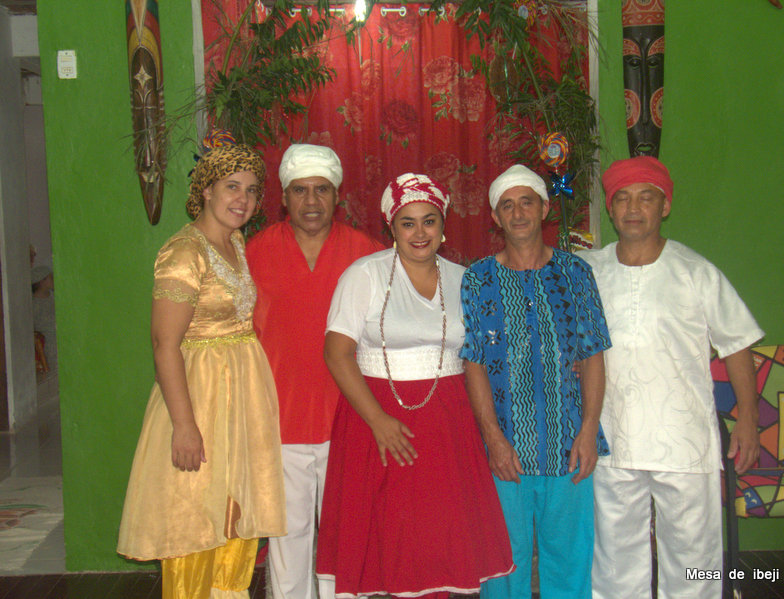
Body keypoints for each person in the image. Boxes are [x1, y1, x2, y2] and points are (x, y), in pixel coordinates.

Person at [317, 173, 514, 598]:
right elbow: (336, 353)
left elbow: (480, 355)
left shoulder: (465, 279)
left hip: (448, 425)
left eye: (429, 221)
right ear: (391, 227)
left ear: (443, 226)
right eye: (408, 223)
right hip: (379, 421)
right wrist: (378, 421)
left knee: (439, 539)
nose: (420, 233)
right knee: (389, 539)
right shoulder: (364, 275)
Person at [582, 156, 763, 599]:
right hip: (611, 440)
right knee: (614, 563)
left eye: (646, 197)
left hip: (684, 443)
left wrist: (748, 419)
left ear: (665, 206)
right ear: (610, 208)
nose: (633, 208)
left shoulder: (696, 272)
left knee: (693, 562)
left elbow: (737, 343)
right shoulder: (587, 272)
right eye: (622, 198)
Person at [118, 138, 286, 599]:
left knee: (233, 516)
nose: (243, 199)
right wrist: (185, 426)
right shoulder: (184, 252)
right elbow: (164, 344)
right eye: (232, 186)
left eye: (252, 190)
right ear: (206, 189)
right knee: (192, 517)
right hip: (200, 397)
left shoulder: (235, 242)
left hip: (241, 398)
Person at [460, 165, 611, 599]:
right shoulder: (479, 279)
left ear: (544, 208)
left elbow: (593, 354)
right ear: (495, 217)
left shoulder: (576, 273)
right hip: (505, 449)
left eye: (527, 202)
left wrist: (588, 430)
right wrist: (493, 438)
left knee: (569, 560)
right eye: (507, 205)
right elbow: (474, 363)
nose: (518, 213)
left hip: (569, 443)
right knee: (503, 564)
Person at [246, 144, 383, 599]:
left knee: (347, 543)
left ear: (337, 195)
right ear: (283, 197)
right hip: (279, 422)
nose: (311, 201)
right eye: (300, 190)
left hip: (350, 421)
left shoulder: (368, 255)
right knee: (288, 542)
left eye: (321, 190)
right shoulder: (253, 254)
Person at [32, 265, 57, 373]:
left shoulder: (54, 298)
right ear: (42, 281)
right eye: (51, 278)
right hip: (50, 343)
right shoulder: (34, 304)